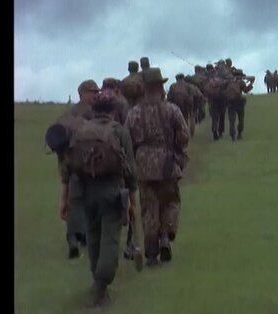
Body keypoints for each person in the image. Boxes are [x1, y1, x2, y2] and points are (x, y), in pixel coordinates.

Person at [58, 90, 138, 307]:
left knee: (93, 237)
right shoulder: (119, 131)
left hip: (86, 193)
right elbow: (130, 171)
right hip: (112, 193)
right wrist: (132, 202)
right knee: (111, 240)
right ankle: (101, 284)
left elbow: (67, 168)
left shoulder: (81, 131)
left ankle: (97, 283)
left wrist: (64, 200)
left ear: (94, 109)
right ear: (113, 110)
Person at [125, 68, 189, 266]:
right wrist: (177, 152)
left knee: (149, 208)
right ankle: (165, 236)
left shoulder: (133, 113)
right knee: (171, 201)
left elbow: (127, 141)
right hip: (168, 163)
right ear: (160, 87)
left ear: (144, 88)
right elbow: (184, 136)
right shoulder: (172, 110)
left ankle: (151, 253)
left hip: (143, 165)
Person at [59, 79, 99, 258]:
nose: (95, 95)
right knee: (86, 201)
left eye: (96, 92)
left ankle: (74, 239)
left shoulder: (68, 114)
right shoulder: (93, 114)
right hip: (87, 165)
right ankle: (81, 238)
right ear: (82, 93)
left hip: (71, 165)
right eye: (92, 92)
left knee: (74, 202)